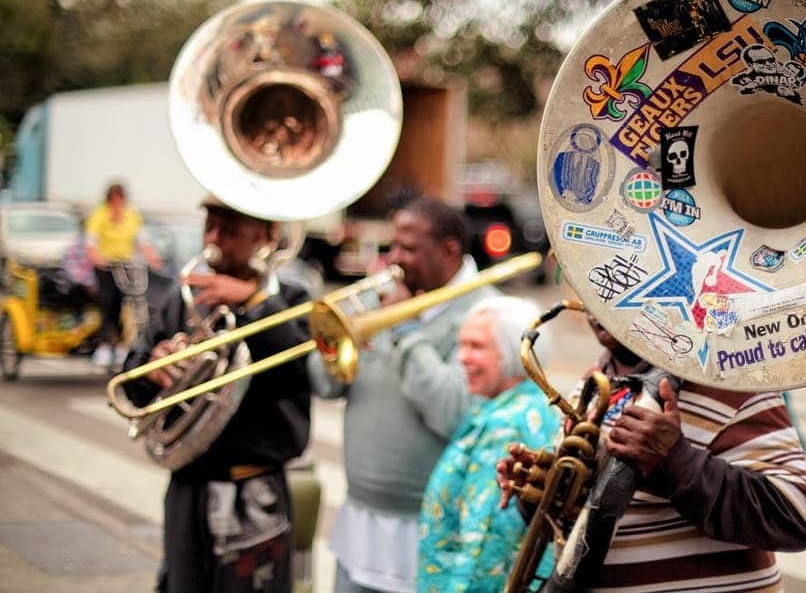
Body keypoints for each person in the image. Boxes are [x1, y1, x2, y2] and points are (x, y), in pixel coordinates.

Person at [497, 314, 806, 591]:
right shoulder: (593, 384)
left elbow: (797, 516)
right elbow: (587, 519)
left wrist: (676, 461)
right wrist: (543, 491)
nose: (594, 303)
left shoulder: (729, 379)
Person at [121, 196, 313, 593]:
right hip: (189, 488)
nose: (213, 239)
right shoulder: (185, 298)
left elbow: (300, 371)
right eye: (209, 227)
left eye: (228, 230)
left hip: (255, 491)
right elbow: (129, 377)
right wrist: (154, 368)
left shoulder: (292, 301)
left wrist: (254, 302)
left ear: (264, 235)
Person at [309, 196, 497, 593]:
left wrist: (406, 328)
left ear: (448, 251)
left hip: (431, 533)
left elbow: (453, 411)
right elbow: (325, 385)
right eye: (393, 246)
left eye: (408, 248)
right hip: (360, 526)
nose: (394, 258)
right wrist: (349, 330)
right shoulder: (387, 299)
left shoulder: (485, 314)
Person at [417, 296, 559, 593]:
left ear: (513, 352)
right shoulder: (528, 404)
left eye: (476, 346)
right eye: (462, 344)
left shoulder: (504, 425)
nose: (461, 357)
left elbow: (484, 545)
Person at [85, 182, 162, 368]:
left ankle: (124, 344)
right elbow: (91, 243)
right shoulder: (99, 215)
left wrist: (153, 257)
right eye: (115, 199)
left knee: (132, 303)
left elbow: (142, 241)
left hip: (127, 266)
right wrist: (98, 258)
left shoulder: (131, 215)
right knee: (108, 303)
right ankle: (104, 345)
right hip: (106, 267)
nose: (118, 203)